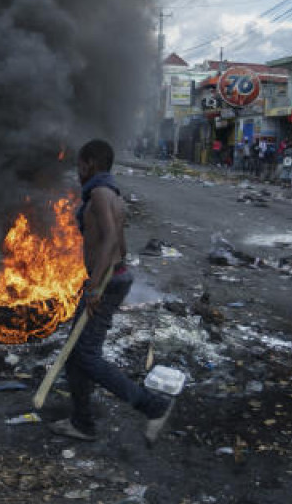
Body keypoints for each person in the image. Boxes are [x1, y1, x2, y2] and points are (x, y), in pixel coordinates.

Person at [50, 139, 173, 445]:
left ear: (89, 163)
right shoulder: (112, 193)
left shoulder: (101, 194)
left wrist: (94, 288)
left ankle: (153, 406)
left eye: (79, 165)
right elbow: (121, 244)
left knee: (86, 355)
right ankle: (82, 421)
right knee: (76, 354)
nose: (77, 172)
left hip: (104, 284)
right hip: (110, 278)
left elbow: (107, 241)